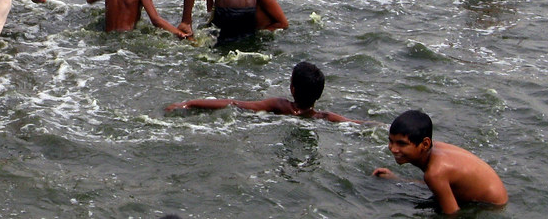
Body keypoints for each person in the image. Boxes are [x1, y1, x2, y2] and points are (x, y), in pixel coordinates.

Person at [372, 110, 508, 214]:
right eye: (391, 141)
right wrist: (397, 178)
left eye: (401, 144)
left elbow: (453, 214)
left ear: (425, 144)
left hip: (490, 207)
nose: (393, 149)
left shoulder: (435, 172)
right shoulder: (432, 151)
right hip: (489, 195)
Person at [165, 61, 362, 123]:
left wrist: (189, 103)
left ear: (292, 89)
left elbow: (234, 104)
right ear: (319, 94)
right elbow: (355, 124)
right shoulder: (324, 117)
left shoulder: (280, 106)